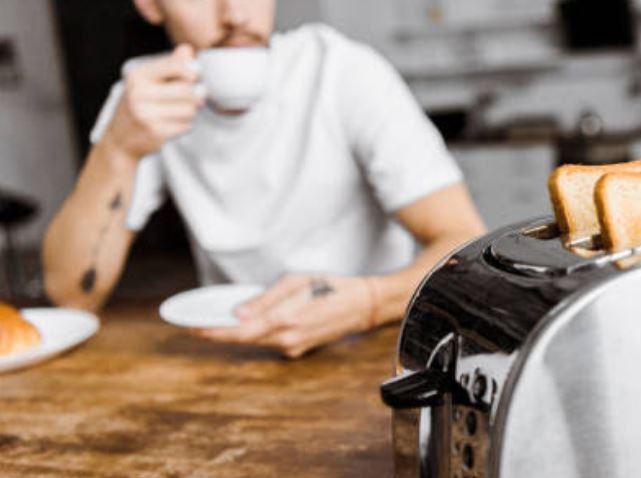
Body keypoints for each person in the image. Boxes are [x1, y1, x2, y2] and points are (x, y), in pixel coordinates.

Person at [42, 0, 485, 358]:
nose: (235, 14)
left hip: (371, 349)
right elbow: (70, 294)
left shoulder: (344, 72)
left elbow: (464, 241)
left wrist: (368, 303)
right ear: (150, 5)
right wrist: (117, 148)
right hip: (237, 356)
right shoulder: (143, 99)